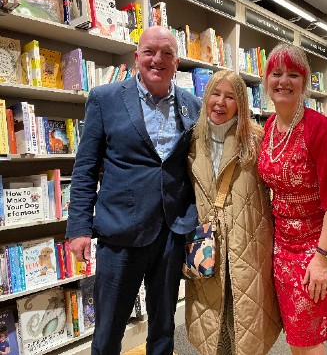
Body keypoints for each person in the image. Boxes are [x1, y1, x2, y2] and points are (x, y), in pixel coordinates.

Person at [66, 25, 201, 355]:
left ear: (177, 62)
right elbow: (85, 169)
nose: (158, 59)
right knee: (109, 328)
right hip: (120, 232)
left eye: (167, 53)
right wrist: (79, 228)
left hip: (172, 232)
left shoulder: (192, 105)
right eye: (150, 52)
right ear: (136, 56)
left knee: (164, 325)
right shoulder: (105, 99)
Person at [257, 43, 327, 355]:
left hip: (322, 240)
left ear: (305, 82)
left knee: (307, 332)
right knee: (296, 330)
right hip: (285, 240)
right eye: (276, 73)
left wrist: (322, 259)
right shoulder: (269, 128)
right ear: (266, 80)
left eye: (293, 74)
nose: (283, 81)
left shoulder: (322, 131)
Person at [185, 70, 282, 354]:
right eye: (215, 94)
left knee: (243, 320)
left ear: (240, 102)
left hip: (247, 244)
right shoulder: (193, 140)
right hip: (207, 242)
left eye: (230, 96)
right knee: (212, 317)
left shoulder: (257, 140)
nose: (220, 102)